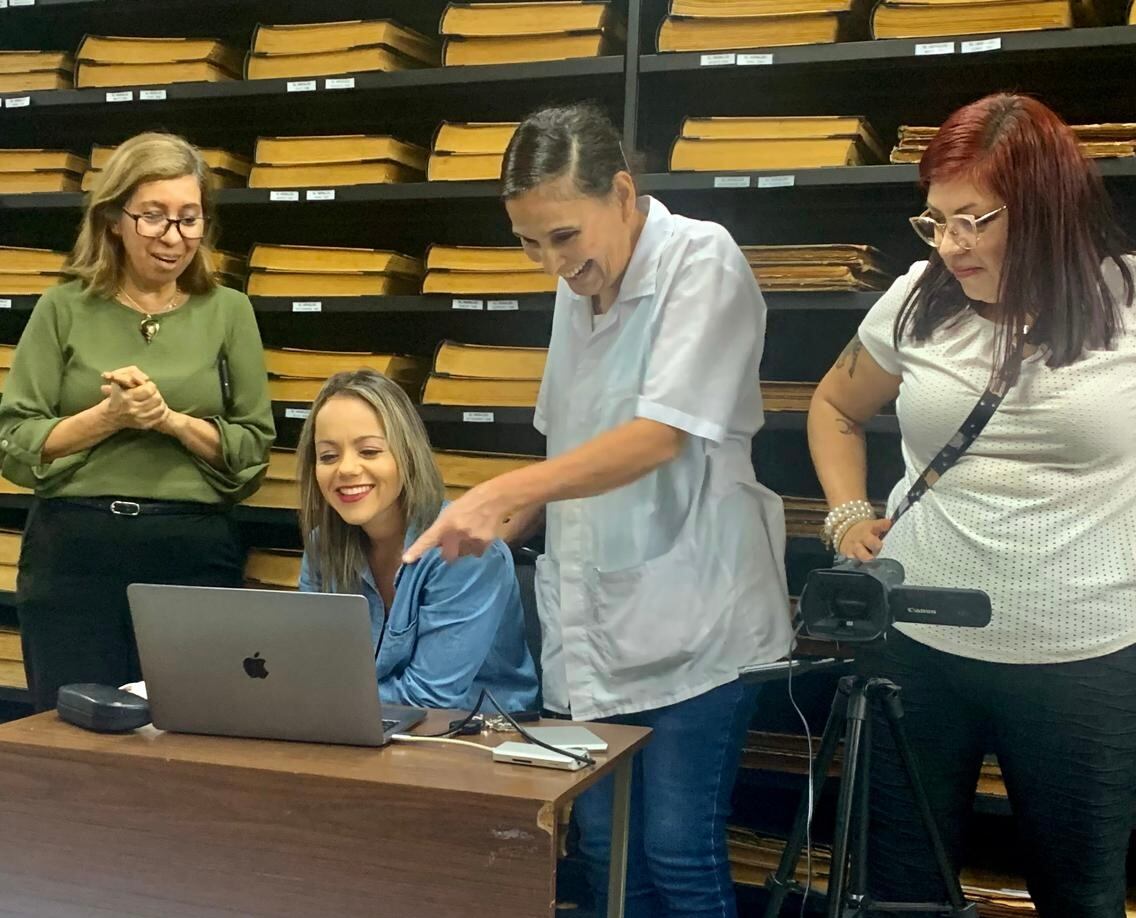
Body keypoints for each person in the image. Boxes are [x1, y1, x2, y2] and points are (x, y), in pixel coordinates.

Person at [403, 103, 792, 917]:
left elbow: (659, 438)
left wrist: (504, 495)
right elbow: (568, 445)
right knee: (611, 855)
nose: (551, 262)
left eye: (564, 237)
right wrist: (475, 533)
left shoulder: (701, 260)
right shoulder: (576, 285)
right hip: (599, 623)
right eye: (529, 243)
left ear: (622, 192)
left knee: (678, 854)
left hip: (699, 621)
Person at [807, 93, 1136, 917]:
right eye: (935, 221)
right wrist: (848, 516)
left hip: (1084, 655)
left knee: (1082, 894)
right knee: (902, 888)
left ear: (1048, 208)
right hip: (918, 643)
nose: (950, 245)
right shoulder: (919, 297)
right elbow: (836, 406)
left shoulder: (1128, 300)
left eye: (973, 220)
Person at [0, 132, 275, 712]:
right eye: (153, 217)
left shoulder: (229, 311)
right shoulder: (62, 307)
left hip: (191, 552)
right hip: (75, 555)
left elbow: (252, 451)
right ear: (113, 220)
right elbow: (16, 443)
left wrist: (170, 421)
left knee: (193, 731)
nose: (173, 238)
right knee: (73, 732)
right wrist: (107, 417)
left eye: (189, 218)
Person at [295, 369, 538, 713]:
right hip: (359, 730)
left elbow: (429, 697)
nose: (346, 469)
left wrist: (314, 698)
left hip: (475, 742)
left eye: (369, 451)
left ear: (407, 455)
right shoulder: (323, 546)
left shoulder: (465, 549)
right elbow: (310, 666)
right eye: (328, 456)